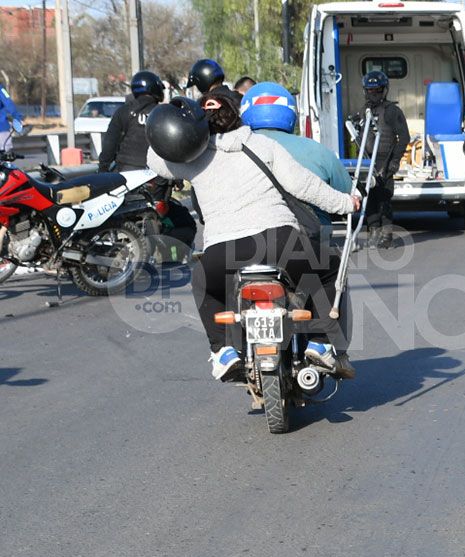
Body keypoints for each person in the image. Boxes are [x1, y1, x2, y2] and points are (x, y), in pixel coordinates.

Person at [146, 93, 361, 381]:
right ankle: (320, 342)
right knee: (330, 268)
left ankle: (222, 351)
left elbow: (155, 159)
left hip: (222, 255)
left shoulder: (193, 160)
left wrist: (172, 129)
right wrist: (346, 203)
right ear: (240, 116)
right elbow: (306, 187)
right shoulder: (262, 145)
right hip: (280, 244)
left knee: (202, 282)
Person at [98, 70, 198, 250]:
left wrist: (103, 174)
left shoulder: (123, 112)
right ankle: (163, 248)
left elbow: (108, 148)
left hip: (124, 182)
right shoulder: (164, 112)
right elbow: (175, 147)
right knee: (184, 222)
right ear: (156, 89)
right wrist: (178, 177)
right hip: (156, 181)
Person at [239, 82, 354, 237]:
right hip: (310, 239)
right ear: (291, 112)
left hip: (246, 240)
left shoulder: (233, 150)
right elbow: (345, 190)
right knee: (333, 260)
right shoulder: (317, 150)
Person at [358, 70, 411, 249]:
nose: (373, 94)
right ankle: (373, 232)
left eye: (377, 91)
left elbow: (404, 138)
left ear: (385, 90)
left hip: (385, 160)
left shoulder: (392, 111)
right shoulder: (364, 111)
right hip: (367, 161)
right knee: (369, 198)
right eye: (370, 91)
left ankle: (386, 235)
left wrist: (394, 161)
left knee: (384, 198)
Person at [0, 82, 24, 150]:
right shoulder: (0, 89)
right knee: (4, 155)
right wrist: (17, 118)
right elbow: (8, 103)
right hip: (2, 129)